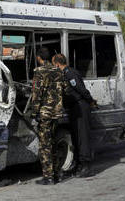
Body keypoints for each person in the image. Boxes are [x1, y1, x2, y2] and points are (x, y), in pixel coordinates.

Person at [52, 53, 96, 178]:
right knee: (76, 137)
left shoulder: (70, 73)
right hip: (74, 108)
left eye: (53, 64)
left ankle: (86, 166)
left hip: (81, 106)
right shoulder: (64, 74)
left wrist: (90, 101)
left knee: (83, 136)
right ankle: (78, 164)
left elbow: (81, 90)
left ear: (57, 64)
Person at [31, 47, 64, 185]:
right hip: (56, 112)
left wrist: (34, 112)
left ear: (39, 57)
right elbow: (65, 88)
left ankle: (48, 177)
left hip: (45, 113)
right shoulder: (58, 71)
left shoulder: (39, 72)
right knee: (54, 143)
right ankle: (57, 174)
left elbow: (36, 94)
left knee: (45, 145)